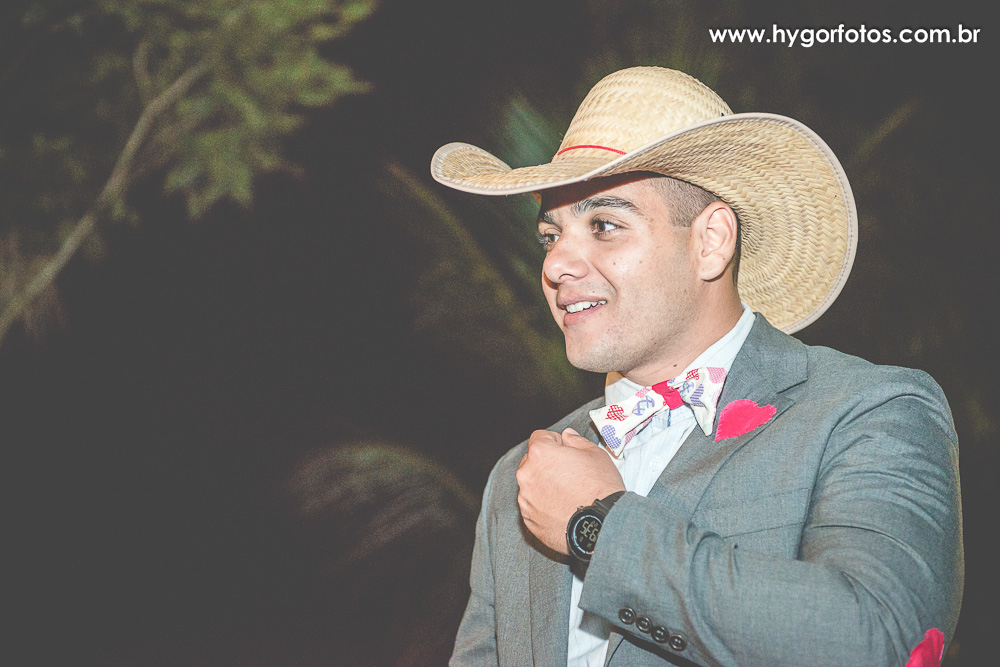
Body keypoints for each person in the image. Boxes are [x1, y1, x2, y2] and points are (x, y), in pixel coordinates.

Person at [430, 67, 963, 666]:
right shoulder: (520, 475)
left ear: (711, 241)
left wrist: (600, 526)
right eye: (550, 237)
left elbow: (877, 642)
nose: (556, 266)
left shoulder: (866, 412)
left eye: (604, 226)